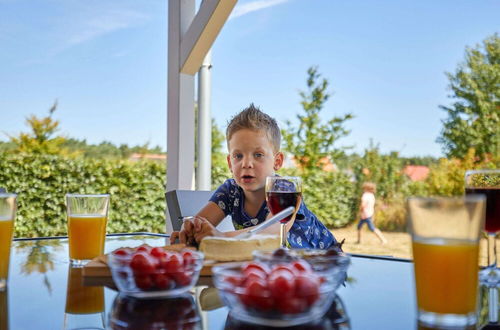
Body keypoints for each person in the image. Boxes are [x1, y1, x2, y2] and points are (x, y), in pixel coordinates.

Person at [170, 104, 337, 249]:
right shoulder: (230, 191)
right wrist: (191, 230)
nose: (246, 163)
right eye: (238, 156)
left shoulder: (284, 190)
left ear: (277, 161)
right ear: (229, 162)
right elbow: (202, 225)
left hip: (323, 265)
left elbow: (272, 234)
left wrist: (219, 238)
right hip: (275, 270)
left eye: (258, 155)